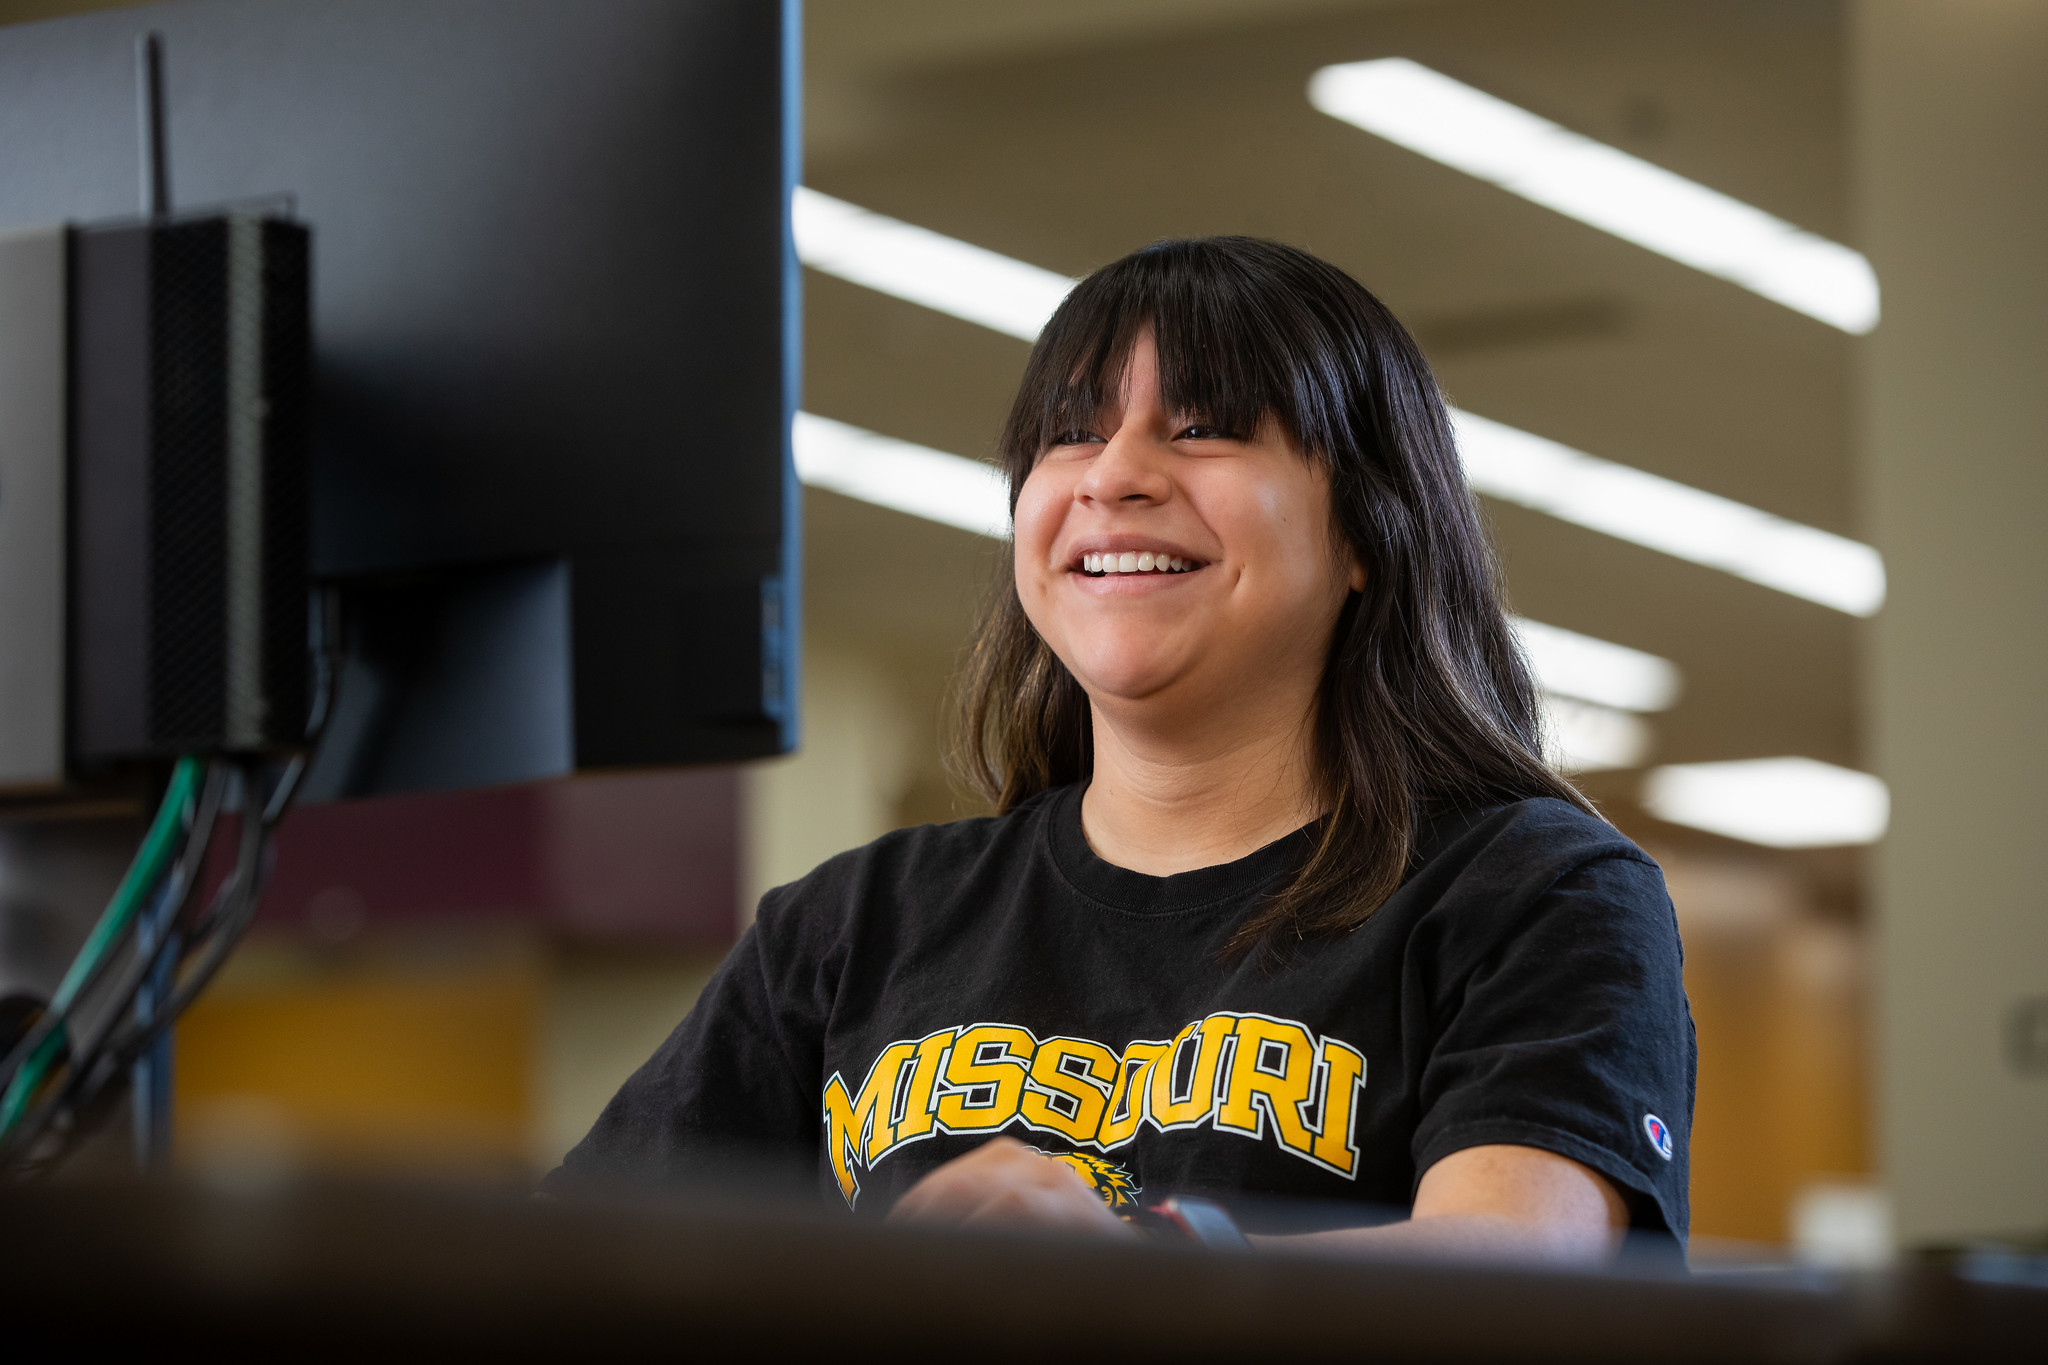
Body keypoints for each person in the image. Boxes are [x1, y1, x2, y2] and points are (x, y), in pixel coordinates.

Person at [548, 237, 1694, 1261]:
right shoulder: (849, 925)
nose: (1113, 475)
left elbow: (1518, 1265)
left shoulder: (1533, 892)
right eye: (1070, 435)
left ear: (1367, 530)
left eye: (1202, 427)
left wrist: (1143, 1276)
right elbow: (570, 1272)